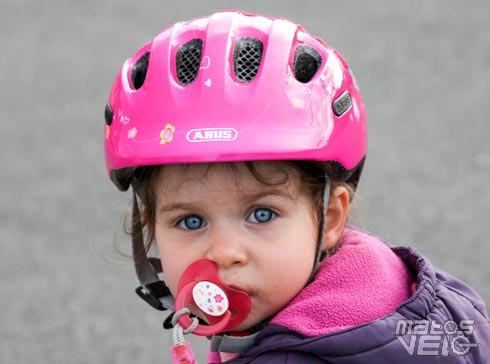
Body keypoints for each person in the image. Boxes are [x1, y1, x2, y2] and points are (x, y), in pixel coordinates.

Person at [103, 10, 489, 363]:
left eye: (261, 214)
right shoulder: (419, 292)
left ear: (331, 217)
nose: (225, 253)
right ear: (151, 227)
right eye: (190, 221)